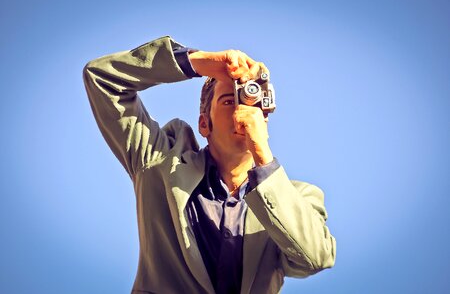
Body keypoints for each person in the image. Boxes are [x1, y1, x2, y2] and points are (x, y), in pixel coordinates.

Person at [83, 36, 336, 294]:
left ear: (264, 120)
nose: (241, 109)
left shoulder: (298, 199)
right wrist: (196, 63)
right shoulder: (160, 161)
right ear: (204, 124)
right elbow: (102, 79)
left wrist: (262, 154)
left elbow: (316, 258)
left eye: (250, 101)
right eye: (228, 101)